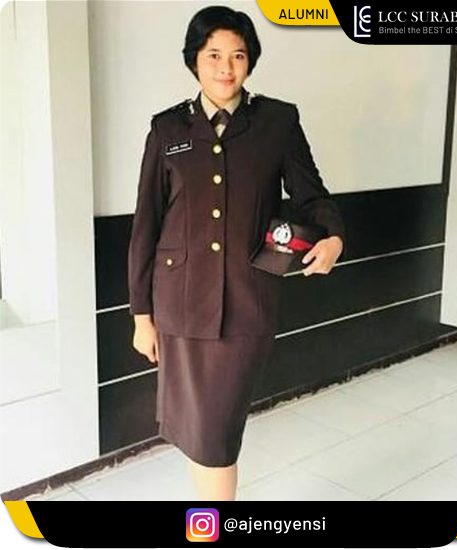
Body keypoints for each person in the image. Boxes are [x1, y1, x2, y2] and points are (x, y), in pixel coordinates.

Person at [127, 5, 346, 501]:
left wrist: (333, 236)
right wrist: (142, 315)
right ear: (194, 60)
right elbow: (146, 225)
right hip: (179, 304)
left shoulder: (277, 121)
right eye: (213, 55)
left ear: (250, 61)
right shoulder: (167, 129)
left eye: (238, 55)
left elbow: (311, 195)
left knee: (215, 434)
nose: (226, 67)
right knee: (197, 430)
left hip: (247, 301)